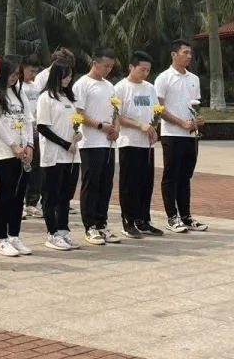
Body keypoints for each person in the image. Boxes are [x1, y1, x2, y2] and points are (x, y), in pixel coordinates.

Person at [0, 55, 34, 256]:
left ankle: (14, 235)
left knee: (18, 195)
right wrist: (13, 145)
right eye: (11, 74)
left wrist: (29, 145)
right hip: (3, 151)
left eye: (17, 75)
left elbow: (28, 120)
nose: (14, 78)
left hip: (22, 152)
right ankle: (1, 238)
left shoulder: (19, 93)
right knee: (4, 194)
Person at [155, 39, 208, 233]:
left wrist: (197, 120)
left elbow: (195, 106)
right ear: (174, 54)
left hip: (191, 135)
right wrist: (180, 123)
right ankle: (172, 217)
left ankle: (186, 216)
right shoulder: (164, 78)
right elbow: (158, 108)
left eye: (190, 53)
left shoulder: (194, 79)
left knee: (186, 176)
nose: (189, 56)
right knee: (171, 175)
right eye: (185, 52)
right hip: (172, 134)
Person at [75, 48, 121, 245]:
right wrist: (100, 126)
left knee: (105, 184)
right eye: (105, 66)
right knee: (91, 184)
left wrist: (116, 128)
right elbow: (79, 113)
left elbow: (116, 111)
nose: (108, 70)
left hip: (108, 143)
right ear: (94, 62)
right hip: (90, 142)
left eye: (111, 67)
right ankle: (90, 226)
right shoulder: (82, 84)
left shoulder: (110, 86)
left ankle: (102, 223)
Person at [115, 51, 163, 238]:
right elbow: (118, 116)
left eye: (148, 70)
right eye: (142, 69)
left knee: (146, 183)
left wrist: (153, 128)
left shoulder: (150, 88)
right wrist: (139, 125)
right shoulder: (120, 88)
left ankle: (143, 220)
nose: (145, 73)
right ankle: (128, 221)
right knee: (129, 184)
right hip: (129, 142)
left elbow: (155, 111)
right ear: (131, 67)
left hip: (146, 144)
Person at [34, 63, 82, 251]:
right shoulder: (46, 98)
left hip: (71, 156)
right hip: (53, 155)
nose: (68, 79)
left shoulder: (70, 97)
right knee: (50, 195)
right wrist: (64, 143)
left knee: (65, 196)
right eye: (65, 76)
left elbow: (73, 122)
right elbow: (42, 127)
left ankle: (63, 230)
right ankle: (52, 233)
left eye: (70, 76)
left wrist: (77, 135)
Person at [20, 57, 44, 219]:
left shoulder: (36, 87)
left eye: (36, 71)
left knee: (36, 166)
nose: (33, 75)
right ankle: (20, 202)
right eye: (31, 71)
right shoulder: (17, 86)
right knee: (23, 166)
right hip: (21, 130)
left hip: (35, 130)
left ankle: (32, 202)